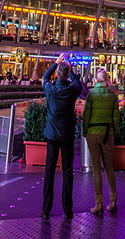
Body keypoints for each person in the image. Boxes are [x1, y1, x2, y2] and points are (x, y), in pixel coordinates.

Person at [41, 54, 82, 220]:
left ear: (57, 74)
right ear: (67, 74)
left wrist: (56, 63)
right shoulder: (72, 91)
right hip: (66, 135)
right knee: (67, 170)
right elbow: (78, 83)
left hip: (52, 134)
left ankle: (45, 210)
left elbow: (44, 77)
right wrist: (70, 69)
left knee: (49, 171)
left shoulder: (50, 89)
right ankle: (67, 209)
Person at [82, 68, 120, 215]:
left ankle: (98, 203)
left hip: (92, 132)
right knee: (109, 168)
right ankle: (113, 201)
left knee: (96, 169)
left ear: (96, 80)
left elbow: (86, 115)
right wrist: (113, 133)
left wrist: (86, 132)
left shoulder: (91, 95)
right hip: (107, 133)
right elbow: (116, 117)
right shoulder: (112, 95)